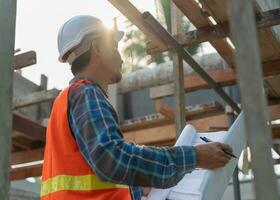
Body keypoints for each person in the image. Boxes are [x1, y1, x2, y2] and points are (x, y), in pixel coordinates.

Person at [40, 15, 233, 200]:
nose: (121, 57)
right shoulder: (86, 93)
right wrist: (194, 157)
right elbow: (112, 159)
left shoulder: (66, 100)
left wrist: (138, 185)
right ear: (97, 47)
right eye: (114, 46)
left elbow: (97, 171)